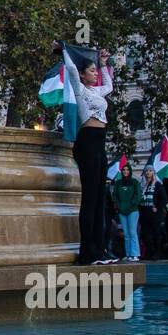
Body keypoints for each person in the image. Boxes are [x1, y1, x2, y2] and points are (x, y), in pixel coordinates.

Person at [59, 42, 115, 265]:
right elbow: (71, 69)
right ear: (83, 75)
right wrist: (64, 49)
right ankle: (88, 252)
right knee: (90, 198)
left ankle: (100, 250)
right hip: (88, 142)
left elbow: (109, 85)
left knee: (100, 197)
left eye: (95, 70)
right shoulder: (80, 89)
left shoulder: (97, 91)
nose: (95, 73)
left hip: (100, 143)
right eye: (91, 70)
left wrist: (103, 64)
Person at [112, 163, 142, 262]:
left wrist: (131, 205)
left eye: (127, 170)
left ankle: (135, 254)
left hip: (132, 211)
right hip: (122, 211)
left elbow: (138, 196)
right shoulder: (118, 183)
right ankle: (129, 254)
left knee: (132, 232)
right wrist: (119, 206)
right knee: (126, 234)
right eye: (124, 170)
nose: (125, 171)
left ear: (130, 171)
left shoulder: (135, 182)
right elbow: (115, 195)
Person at [138, 165, 166, 261]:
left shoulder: (158, 184)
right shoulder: (142, 185)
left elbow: (164, 199)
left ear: (153, 173)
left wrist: (157, 207)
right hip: (144, 213)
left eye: (150, 171)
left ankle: (157, 253)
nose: (148, 172)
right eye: (146, 171)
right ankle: (149, 252)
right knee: (145, 234)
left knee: (156, 233)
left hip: (154, 213)